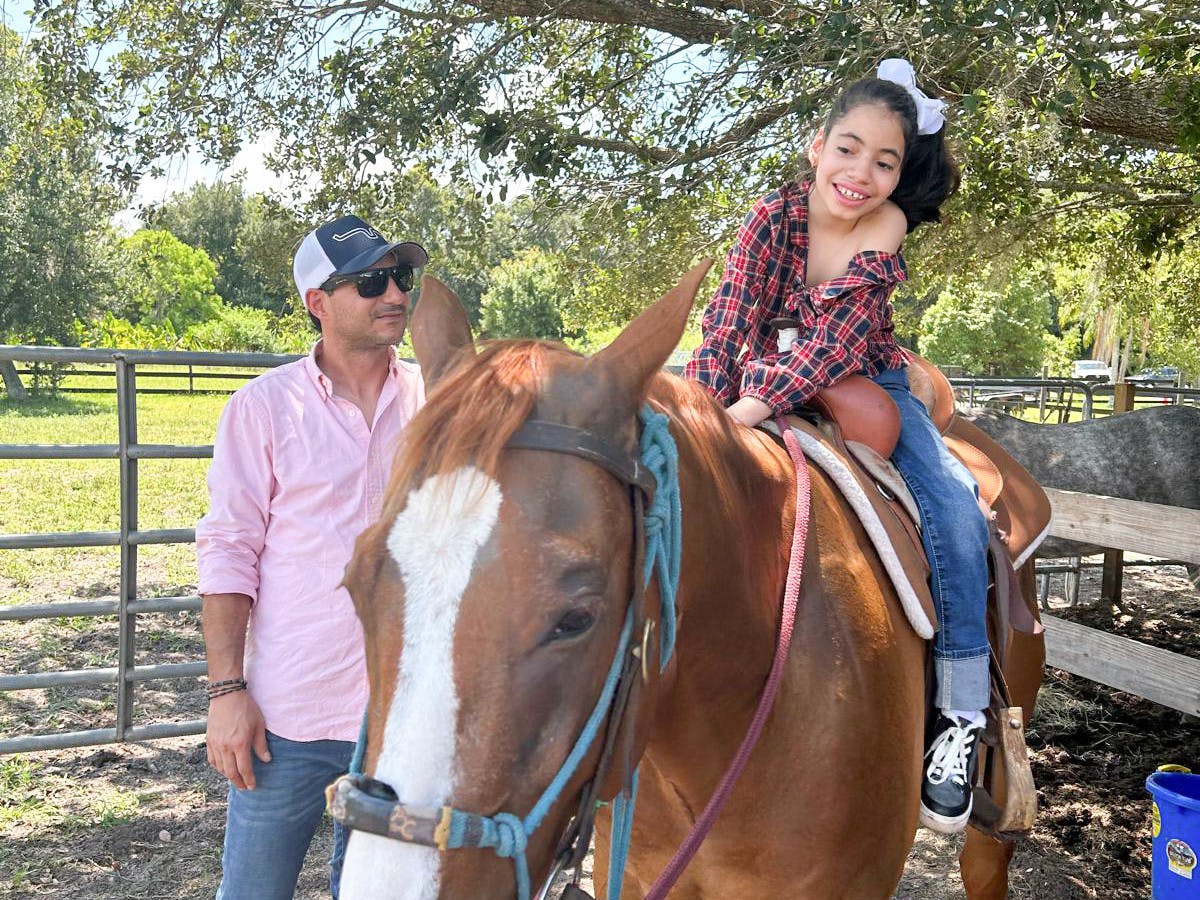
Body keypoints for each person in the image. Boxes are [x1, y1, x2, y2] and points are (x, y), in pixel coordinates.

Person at [684, 59, 990, 834]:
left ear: (899, 173)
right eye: (848, 149)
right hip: (758, 366)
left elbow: (832, 344)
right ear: (816, 146)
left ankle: (960, 712)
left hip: (864, 376)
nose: (861, 174)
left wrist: (747, 409)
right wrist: (702, 412)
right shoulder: (770, 217)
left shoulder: (884, 226)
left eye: (884, 161)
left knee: (954, 508)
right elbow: (727, 324)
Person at [196, 214, 427, 898]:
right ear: (317, 303)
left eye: (400, 276)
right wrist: (226, 693)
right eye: (369, 281)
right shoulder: (262, 409)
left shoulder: (435, 401)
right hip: (290, 716)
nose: (393, 293)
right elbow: (229, 550)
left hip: (402, 716)